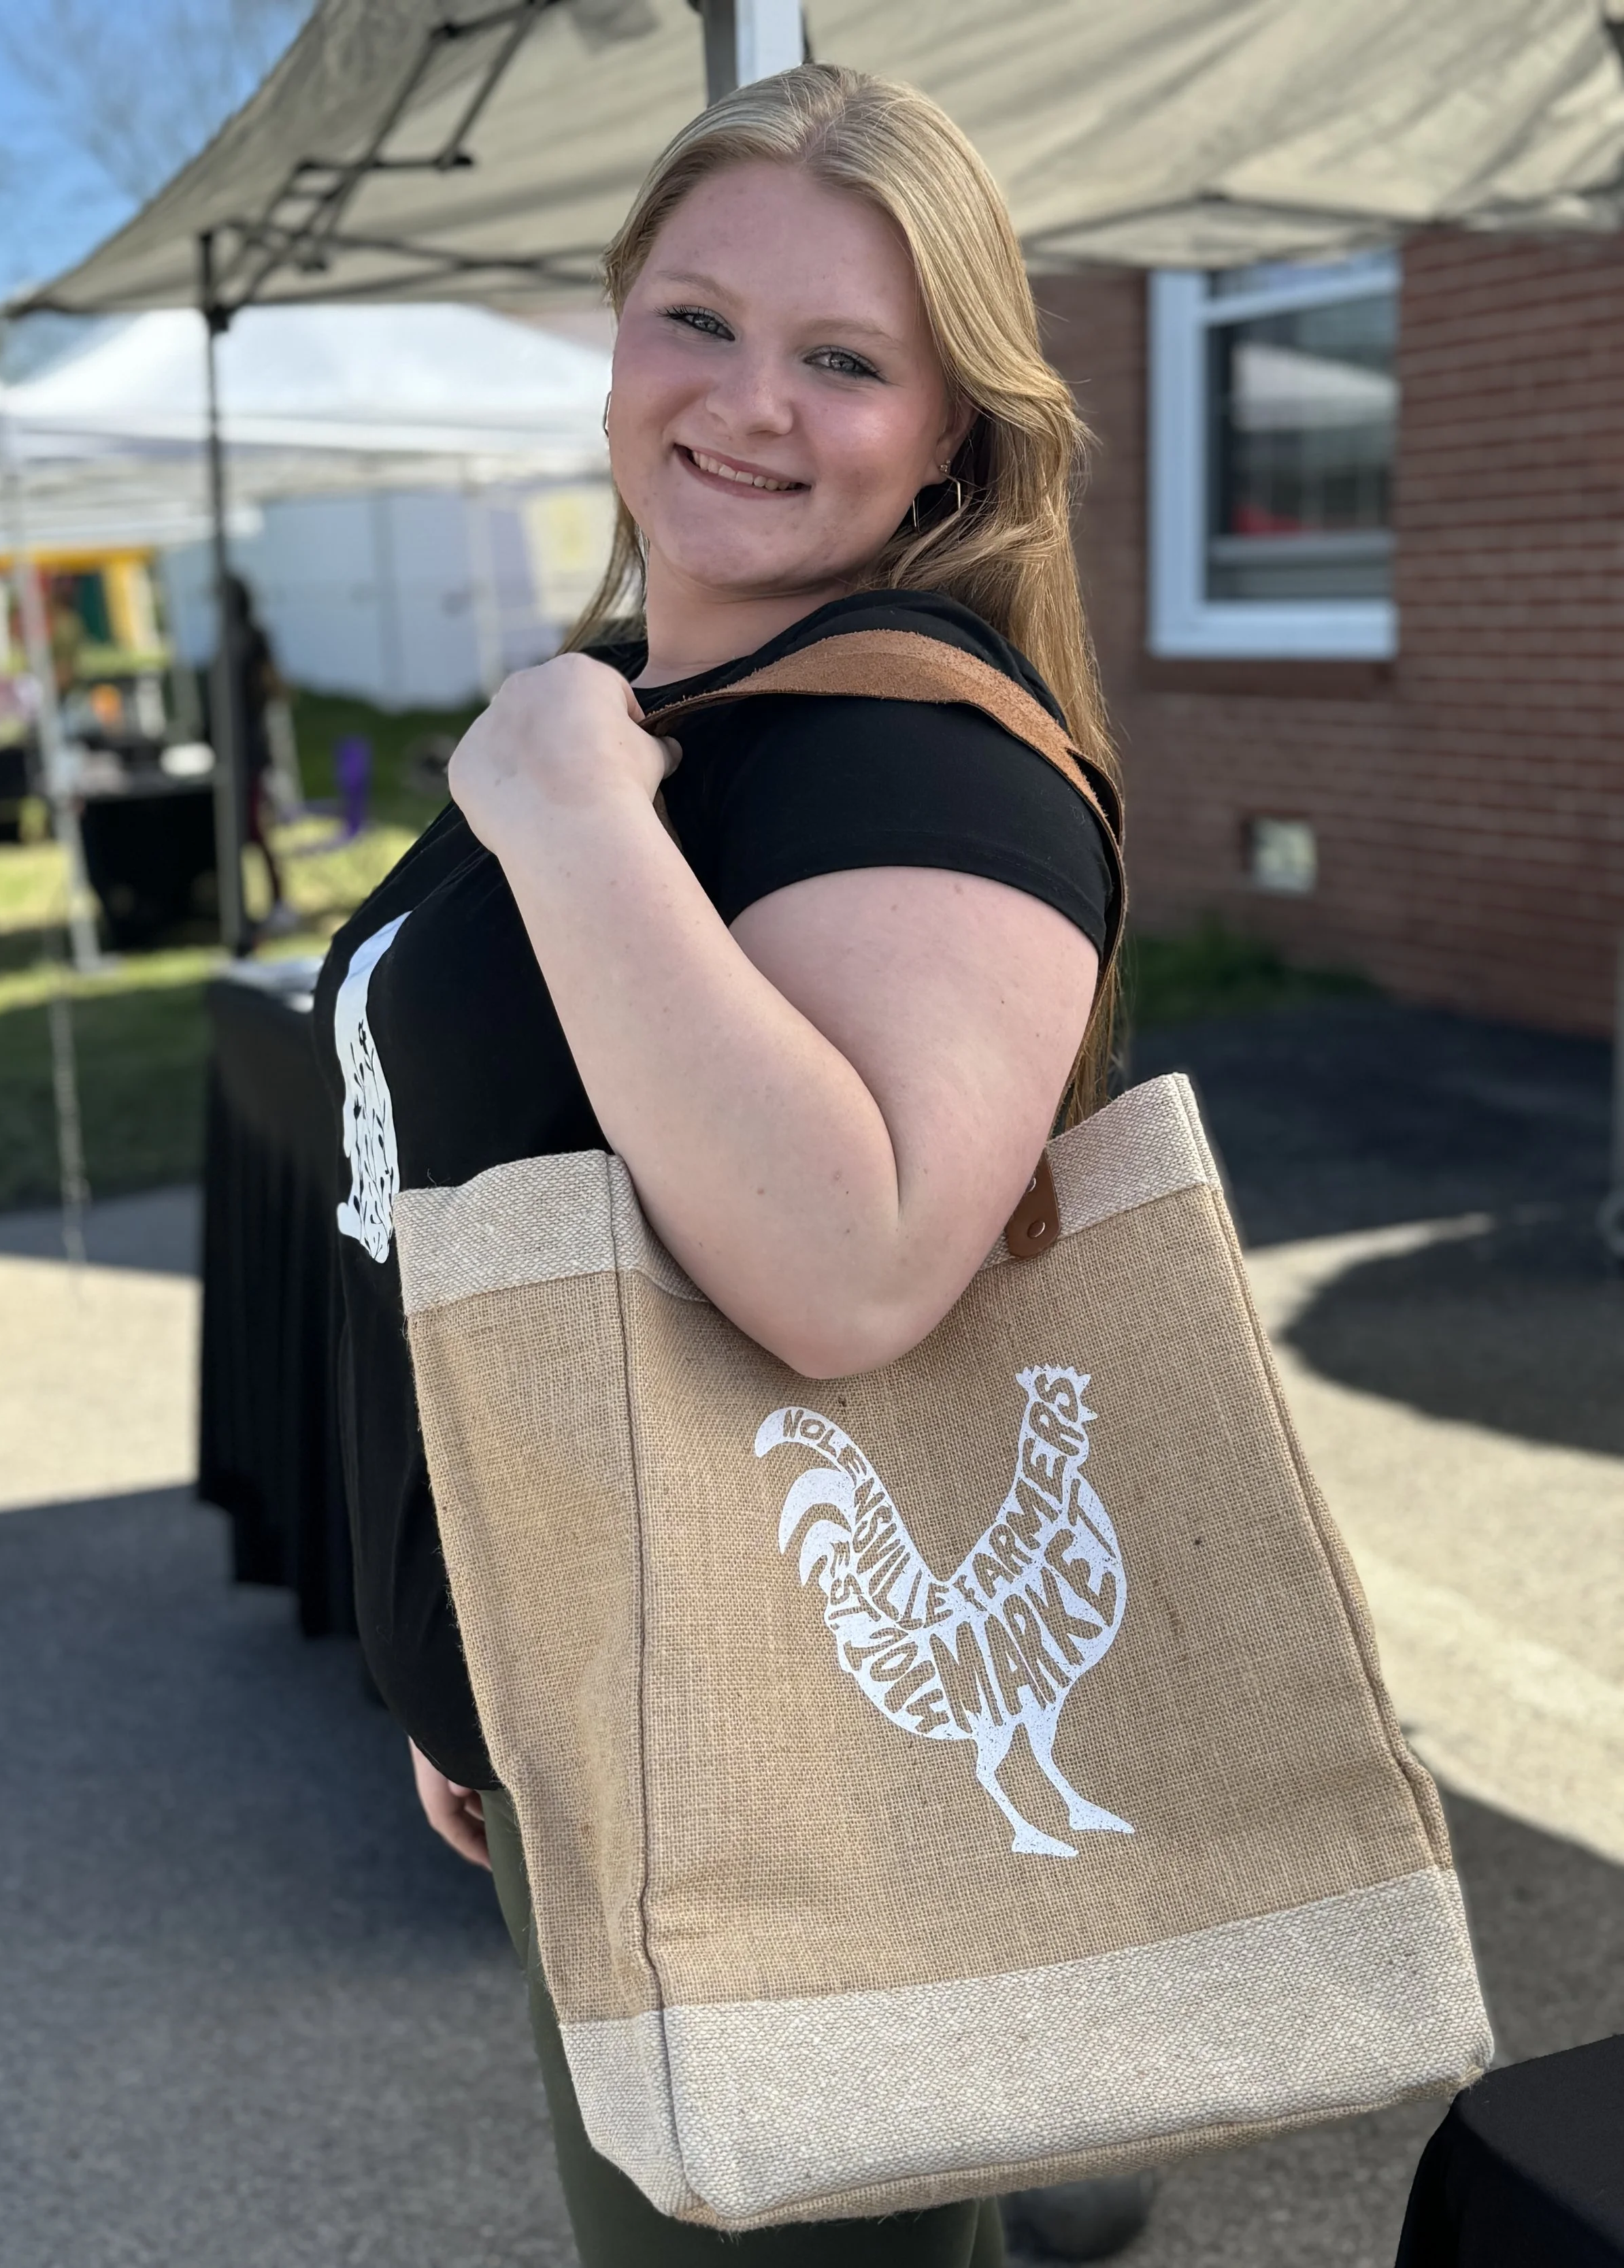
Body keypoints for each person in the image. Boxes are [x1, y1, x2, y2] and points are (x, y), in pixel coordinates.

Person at [315, 63, 1143, 2267]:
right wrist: (451, 1654)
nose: (747, 401)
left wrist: (568, 811)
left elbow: (851, 1269)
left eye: (843, 358)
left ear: (949, 431)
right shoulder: (628, 704)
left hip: (764, 1771)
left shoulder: (904, 760)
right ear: (615, 335)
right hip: (583, 1729)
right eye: (696, 318)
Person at [218, 574, 297, 937]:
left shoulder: (251, 639)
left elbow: (275, 687)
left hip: (251, 751)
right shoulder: (232, 639)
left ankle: (279, 902)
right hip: (238, 750)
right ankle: (250, 905)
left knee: (257, 832)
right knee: (244, 833)